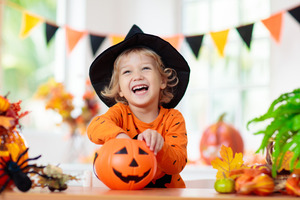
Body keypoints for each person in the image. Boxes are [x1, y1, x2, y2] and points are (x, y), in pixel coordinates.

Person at [87, 24, 190, 188]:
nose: (137, 76)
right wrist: (120, 137)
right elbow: (94, 128)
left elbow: (178, 163)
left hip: (169, 195)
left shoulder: (173, 118)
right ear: (120, 89)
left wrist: (161, 146)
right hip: (129, 192)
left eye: (146, 68)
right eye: (127, 72)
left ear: (163, 81)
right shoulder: (119, 113)